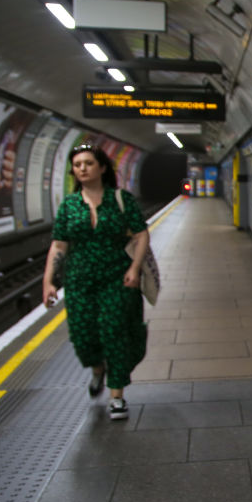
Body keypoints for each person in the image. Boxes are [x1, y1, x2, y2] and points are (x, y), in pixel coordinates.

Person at [42, 144, 150, 420]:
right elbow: (59, 246)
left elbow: (141, 235)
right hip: (79, 282)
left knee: (114, 331)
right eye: (77, 165)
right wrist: (49, 282)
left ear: (102, 168)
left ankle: (117, 395)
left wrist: (135, 269)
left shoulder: (120, 199)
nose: (82, 169)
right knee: (83, 335)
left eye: (88, 163)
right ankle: (97, 369)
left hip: (116, 277)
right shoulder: (69, 206)